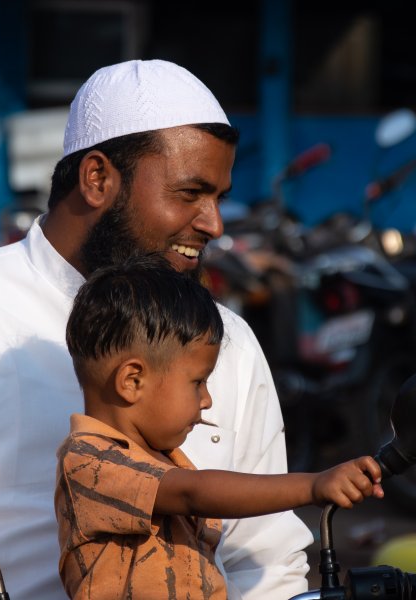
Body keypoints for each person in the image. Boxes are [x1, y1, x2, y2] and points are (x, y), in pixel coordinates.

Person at [0, 59, 315, 599]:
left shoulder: (231, 343)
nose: (213, 224)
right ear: (98, 178)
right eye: (189, 193)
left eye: (218, 197)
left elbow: (265, 562)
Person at [56, 253, 383, 599]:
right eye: (198, 382)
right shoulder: (89, 462)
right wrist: (314, 486)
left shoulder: (164, 458)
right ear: (132, 380)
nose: (207, 400)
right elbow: (195, 492)